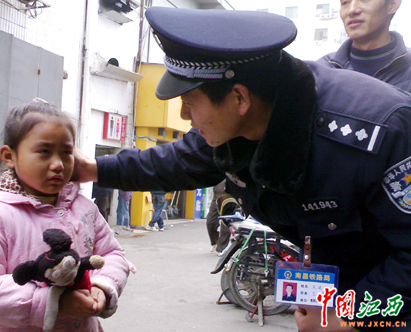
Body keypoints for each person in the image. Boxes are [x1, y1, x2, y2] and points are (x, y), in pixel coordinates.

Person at [73, 7, 411, 331]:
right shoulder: (239, 126)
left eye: (189, 103)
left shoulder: (376, 133)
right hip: (335, 291)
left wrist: (354, 317)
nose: (184, 118)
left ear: (240, 99)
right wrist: (91, 169)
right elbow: (176, 161)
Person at [0, 99, 133, 332]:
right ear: (9, 156)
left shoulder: (85, 208)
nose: (58, 164)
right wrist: (56, 302)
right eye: (44, 151)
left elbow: (112, 254)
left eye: (67, 152)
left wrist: (103, 285)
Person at [318, 0, 411, 92]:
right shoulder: (322, 70)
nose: (351, 10)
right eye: (345, 3)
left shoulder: (407, 69)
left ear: (392, 5)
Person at [206, 180, 230, 255]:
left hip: (228, 200)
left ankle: (221, 247)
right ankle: (215, 242)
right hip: (216, 200)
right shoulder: (219, 171)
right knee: (210, 222)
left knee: (225, 225)